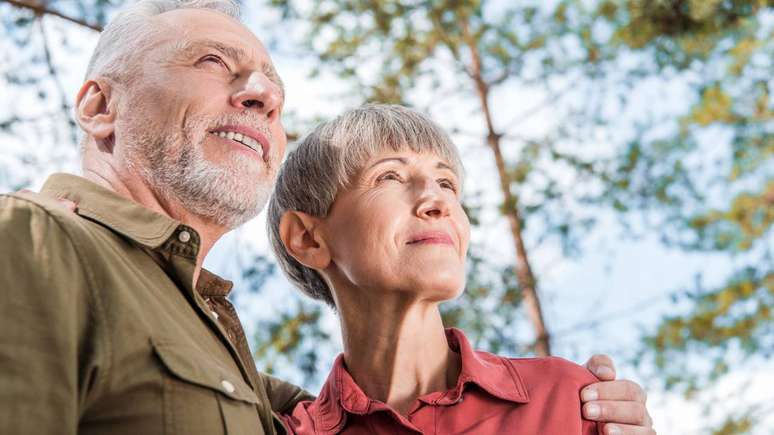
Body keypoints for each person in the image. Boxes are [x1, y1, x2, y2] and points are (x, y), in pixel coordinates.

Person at [0, 1, 653, 434]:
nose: (260, 96)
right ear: (99, 105)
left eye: (274, 96)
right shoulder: (33, 242)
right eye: (212, 62)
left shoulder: (236, 360)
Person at [268, 104, 647, 434]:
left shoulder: (570, 399)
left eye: (446, 183)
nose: (437, 200)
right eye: (390, 177)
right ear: (308, 239)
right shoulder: (286, 431)